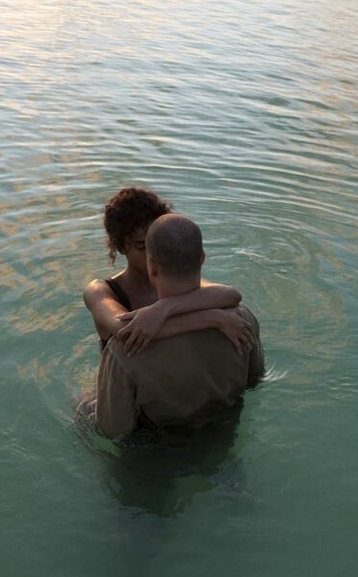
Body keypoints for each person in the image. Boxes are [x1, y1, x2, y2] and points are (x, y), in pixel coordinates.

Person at [95, 214, 264, 440]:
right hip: (223, 441)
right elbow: (255, 380)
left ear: (152, 267)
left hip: (156, 460)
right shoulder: (242, 320)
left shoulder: (128, 348)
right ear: (202, 258)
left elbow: (112, 430)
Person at [82, 187, 255, 356]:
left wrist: (163, 308)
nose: (153, 254)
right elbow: (127, 331)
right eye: (142, 246)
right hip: (116, 382)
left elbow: (230, 295)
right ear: (120, 247)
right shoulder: (100, 291)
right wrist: (214, 318)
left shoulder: (174, 281)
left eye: (157, 244)